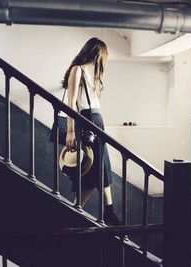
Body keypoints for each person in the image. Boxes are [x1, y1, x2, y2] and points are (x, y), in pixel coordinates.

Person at [61, 37, 120, 226]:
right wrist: (70, 131)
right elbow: (70, 103)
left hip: (96, 120)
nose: (101, 60)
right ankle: (79, 208)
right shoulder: (77, 69)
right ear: (95, 52)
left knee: (101, 166)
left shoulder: (89, 73)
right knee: (93, 166)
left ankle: (107, 210)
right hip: (87, 121)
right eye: (101, 56)